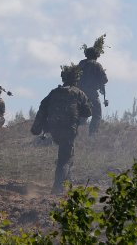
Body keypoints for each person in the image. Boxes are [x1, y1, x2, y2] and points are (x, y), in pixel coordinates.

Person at [31, 63, 92, 194]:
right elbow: (88, 112)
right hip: (68, 129)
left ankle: (67, 183)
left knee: (67, 155)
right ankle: (57, 188)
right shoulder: (78, 93)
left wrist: (36, 128)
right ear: (76, 79)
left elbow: (43, 107)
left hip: (54, 129)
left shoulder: (53, 92)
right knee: (65, 158)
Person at [78, 34, 109, 135]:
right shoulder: (96, 65)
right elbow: (105, 80)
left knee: (81, 114)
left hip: (78, 93)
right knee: (96, 114)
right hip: (91, 93)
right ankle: (92, 135)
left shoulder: (81, 63)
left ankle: (74, 133)